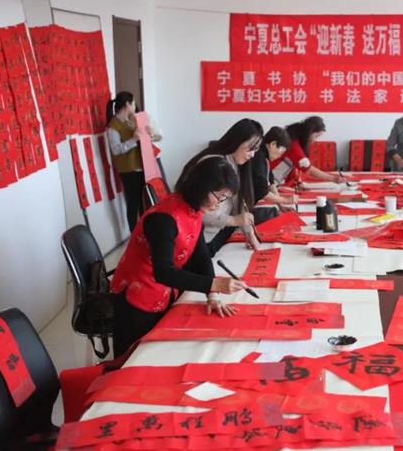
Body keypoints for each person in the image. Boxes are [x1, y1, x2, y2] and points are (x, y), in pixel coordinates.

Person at [110, 156, 246, 357]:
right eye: (219, 197)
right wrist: (213, 284)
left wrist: (212, 294)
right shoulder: (164, 219)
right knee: (135, 359)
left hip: (163, 293)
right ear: (201, 186)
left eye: (225, 199)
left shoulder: (193, 209)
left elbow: (200, 254)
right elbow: (163, 272)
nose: (219, 204)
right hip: (137, 299)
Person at [179, 119, 262, 254]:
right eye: (250, 149)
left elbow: (238, 202)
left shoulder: (233, 163)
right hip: (197, 239)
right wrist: (234, 220)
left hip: (216, 234)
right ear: (237, 141)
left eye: (255, 151)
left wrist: (250, 234)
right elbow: (197, 211)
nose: (252, 155)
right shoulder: (214, 165)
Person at [106, 91, 162, 231]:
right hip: (129, 171)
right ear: (127, 104)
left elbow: (141, 142)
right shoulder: (113, 126)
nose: (135, 106)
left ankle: (143, 233)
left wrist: (148, 134)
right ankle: (134, 235)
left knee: (143, 202)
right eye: (133, 103)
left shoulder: (130, 121)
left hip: (141, 167)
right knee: (133, 204)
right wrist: (134, 139)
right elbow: (116, 150)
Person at [271, 116, 340, 186]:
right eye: (316, 136)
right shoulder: (293, 145)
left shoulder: (294, 136)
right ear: (310, 132)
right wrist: (334, 179)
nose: (315, 140)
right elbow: (309, 169)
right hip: (273, 178)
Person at [252, 125, 298, 215]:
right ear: (273, 144)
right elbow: (262, 193)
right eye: (280, 152)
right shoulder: (259, 157)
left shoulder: (264, 157)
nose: (279, 156)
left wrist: (281, 205)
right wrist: (286, 200)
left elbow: (271, 183)